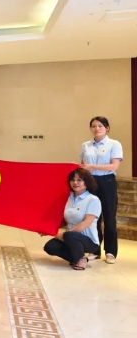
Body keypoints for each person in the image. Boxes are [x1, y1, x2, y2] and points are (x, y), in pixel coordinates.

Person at [80, 116, 122, 264]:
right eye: (94, 126)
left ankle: (111, 252)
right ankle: (94, 250)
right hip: (90, 182)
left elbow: (114, 166)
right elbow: (83, 165)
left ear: (107, 128)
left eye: (100, 126)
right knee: (92, 218)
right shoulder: (85, 145)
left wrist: (92, 166)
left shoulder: (114, 144)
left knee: (109, 217)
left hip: (107, 181)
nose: (97, 129)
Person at [43, 168, 101, 270]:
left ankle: (80, 259)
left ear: (87, 182)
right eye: (72, 180)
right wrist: (47, 229)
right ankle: (77, 258)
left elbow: (86, 222)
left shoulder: (93, 200)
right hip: (70, 238)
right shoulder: (69, 198)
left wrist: (64, 234)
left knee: (70, 235)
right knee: (50, 246)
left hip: (89, 241)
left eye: (79, 180)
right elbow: (66, 220)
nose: (75, 183)